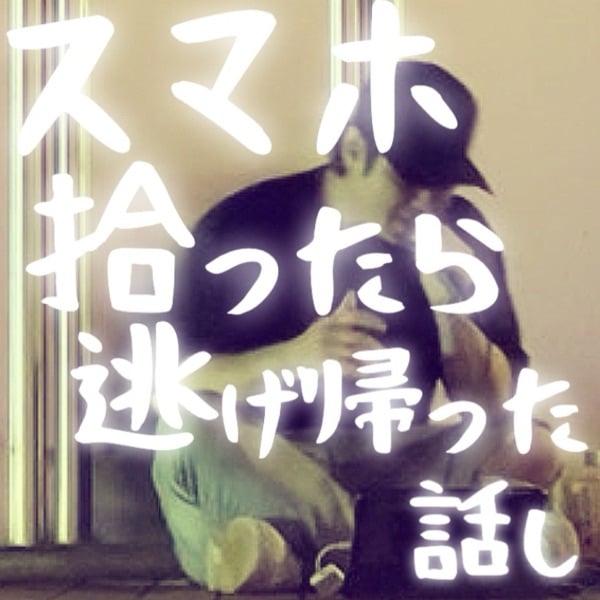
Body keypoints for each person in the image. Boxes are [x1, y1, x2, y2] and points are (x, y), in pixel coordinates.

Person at [152, 60, 561, 593]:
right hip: (277, 461)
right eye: (407, 181)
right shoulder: (243, 226)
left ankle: (297, 555)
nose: (424, 203)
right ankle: (401, 548)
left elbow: (493, 407)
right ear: (352, 150)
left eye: (439, 186)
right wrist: (292, 357)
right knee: (186, 433)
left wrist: (451, 306)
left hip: (393, 460)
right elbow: (169, 383)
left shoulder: (457, 234)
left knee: (536, 444)